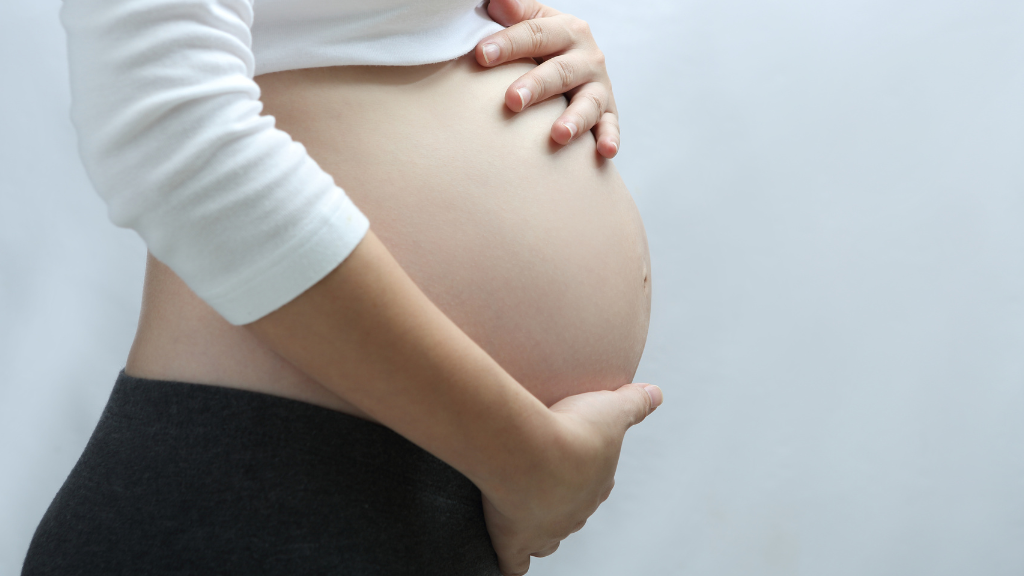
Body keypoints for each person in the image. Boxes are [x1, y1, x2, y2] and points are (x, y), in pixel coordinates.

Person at [23, 0, 661, 574]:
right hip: (259, 495)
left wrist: (531, 40)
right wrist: (529, 462)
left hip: (438, 496)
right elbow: (166, 125)